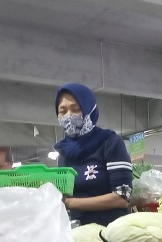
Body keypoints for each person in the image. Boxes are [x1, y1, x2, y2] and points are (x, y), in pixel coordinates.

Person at [53, 83, 132, 227]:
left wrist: (70, 203)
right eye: (62, 111)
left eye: (76, 109)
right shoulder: (63, 151)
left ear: (90, 109)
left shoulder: (110, 143)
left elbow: (122, 197)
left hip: (109, 232)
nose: (68, 116)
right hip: (76, 231)